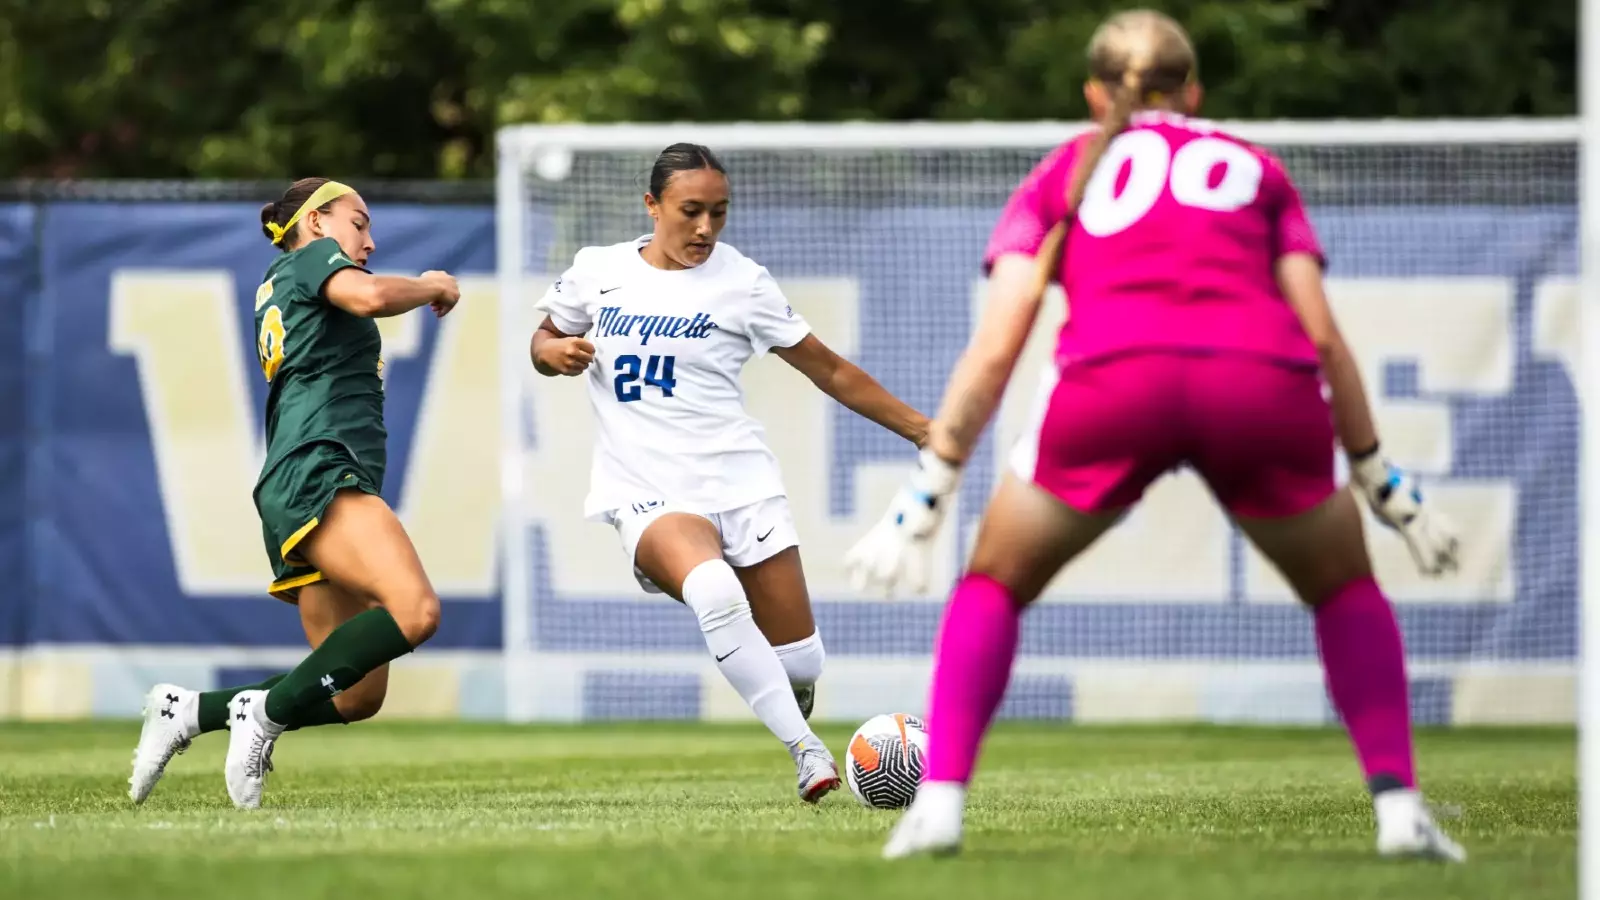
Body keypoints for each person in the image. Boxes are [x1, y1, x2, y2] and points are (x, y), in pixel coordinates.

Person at [847, 9, 1466, 861]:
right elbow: (1322, 336)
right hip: (1261, 386)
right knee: (1344, 590)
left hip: (1116, 382)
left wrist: (929, 490)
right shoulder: (1255, 169)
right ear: (1196, 89)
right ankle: (1399, 813)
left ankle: (940, 806)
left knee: (993, 581)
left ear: (1095, 92)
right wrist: (1379, 477)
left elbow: (999, 343)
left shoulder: (1068, 172)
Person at [532, 143, 929, 803]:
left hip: (742, 486)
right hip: (646, 491)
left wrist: (922, 430)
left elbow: (828, 368)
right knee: (714, 591)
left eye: (719, 212)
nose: (705, 229)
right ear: (651, 205)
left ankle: (786, 690)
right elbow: (545, 338)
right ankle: (805, 752)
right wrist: (555, 352)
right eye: (690, 211)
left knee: (801, 660)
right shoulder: (597, 271)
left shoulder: (742, 282)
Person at [128, 178, 461, 809]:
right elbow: (367, 296)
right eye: (357, 222)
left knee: (353, 696)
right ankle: (264, 715)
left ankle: (190, 712)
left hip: (295, 475)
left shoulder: (287, 278)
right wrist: (432, 285)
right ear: (314, 222)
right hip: (320, 466)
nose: (368, 238)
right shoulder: (312, 259)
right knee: (416, 612)